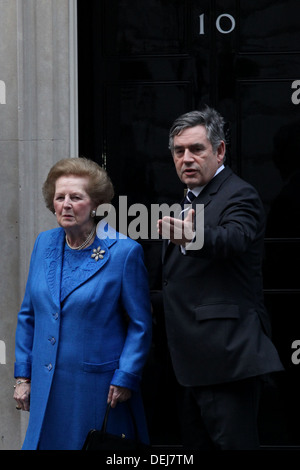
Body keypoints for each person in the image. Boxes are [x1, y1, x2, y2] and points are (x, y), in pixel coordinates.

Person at [157, 106, 284, 450]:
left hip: (227, 358)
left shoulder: (239, 194)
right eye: (178, 151)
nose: (186, 158)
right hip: (189, 362)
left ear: (220, 150)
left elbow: (234, 238)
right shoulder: (185, 201)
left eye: (197, 149)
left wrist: (192, 237)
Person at [14, 158, 152, 450]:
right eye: (59, 197)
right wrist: (23, 376)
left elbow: (141, 324)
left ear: (96, 204)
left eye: (76, 197)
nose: (66, 204)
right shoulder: (44, 244)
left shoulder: (124, 252)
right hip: (46, 386)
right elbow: (29, 314)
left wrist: (127, 374)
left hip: (96, 388)